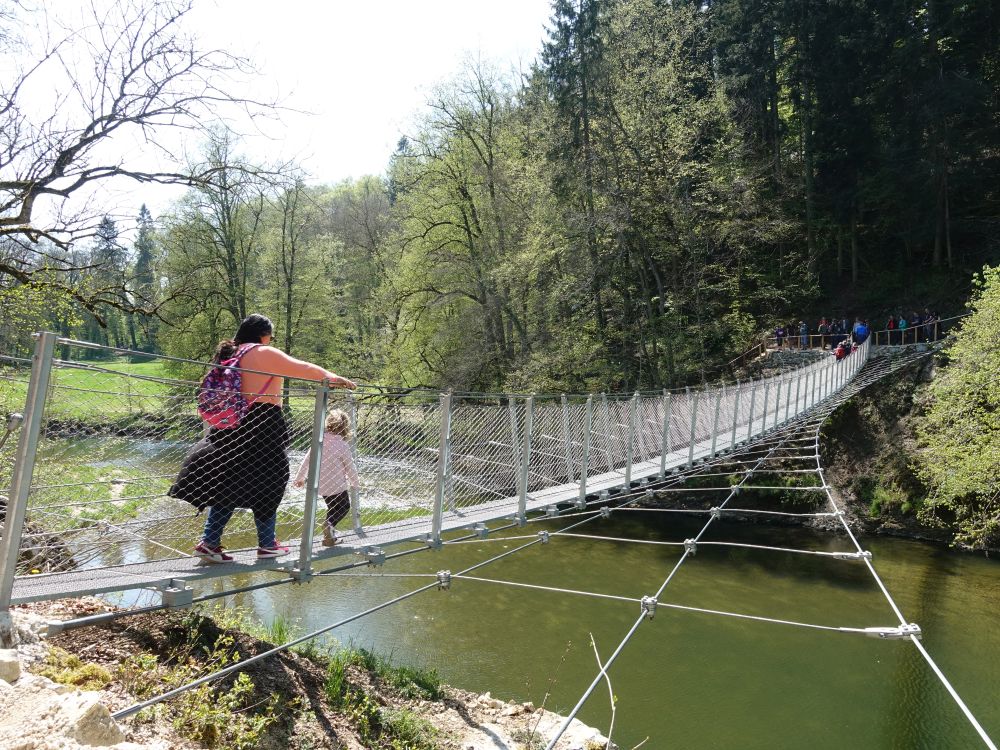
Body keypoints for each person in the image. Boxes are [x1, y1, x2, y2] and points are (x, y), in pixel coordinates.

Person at [170, 314, 356, 563]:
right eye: (271, 335)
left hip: (231, 421)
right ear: (263, 334)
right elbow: (302, 368)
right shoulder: (263, 352)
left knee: (229, 481)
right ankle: (267, 545)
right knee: (271, 481)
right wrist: (333, 378)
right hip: (262, 421)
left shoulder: (231, 353)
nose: (271, 339)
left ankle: (210, 542)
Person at [293, 408, 359, 547]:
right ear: (345, 428)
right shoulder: (342, 445)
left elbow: (307, 460)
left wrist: (300, 478)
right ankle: (329, 525)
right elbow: (350, 467)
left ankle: (329, 537)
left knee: (332, 507)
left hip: (321, 484)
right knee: (344, 507)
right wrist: (355, 482)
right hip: (337, 485)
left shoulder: (319, 441)